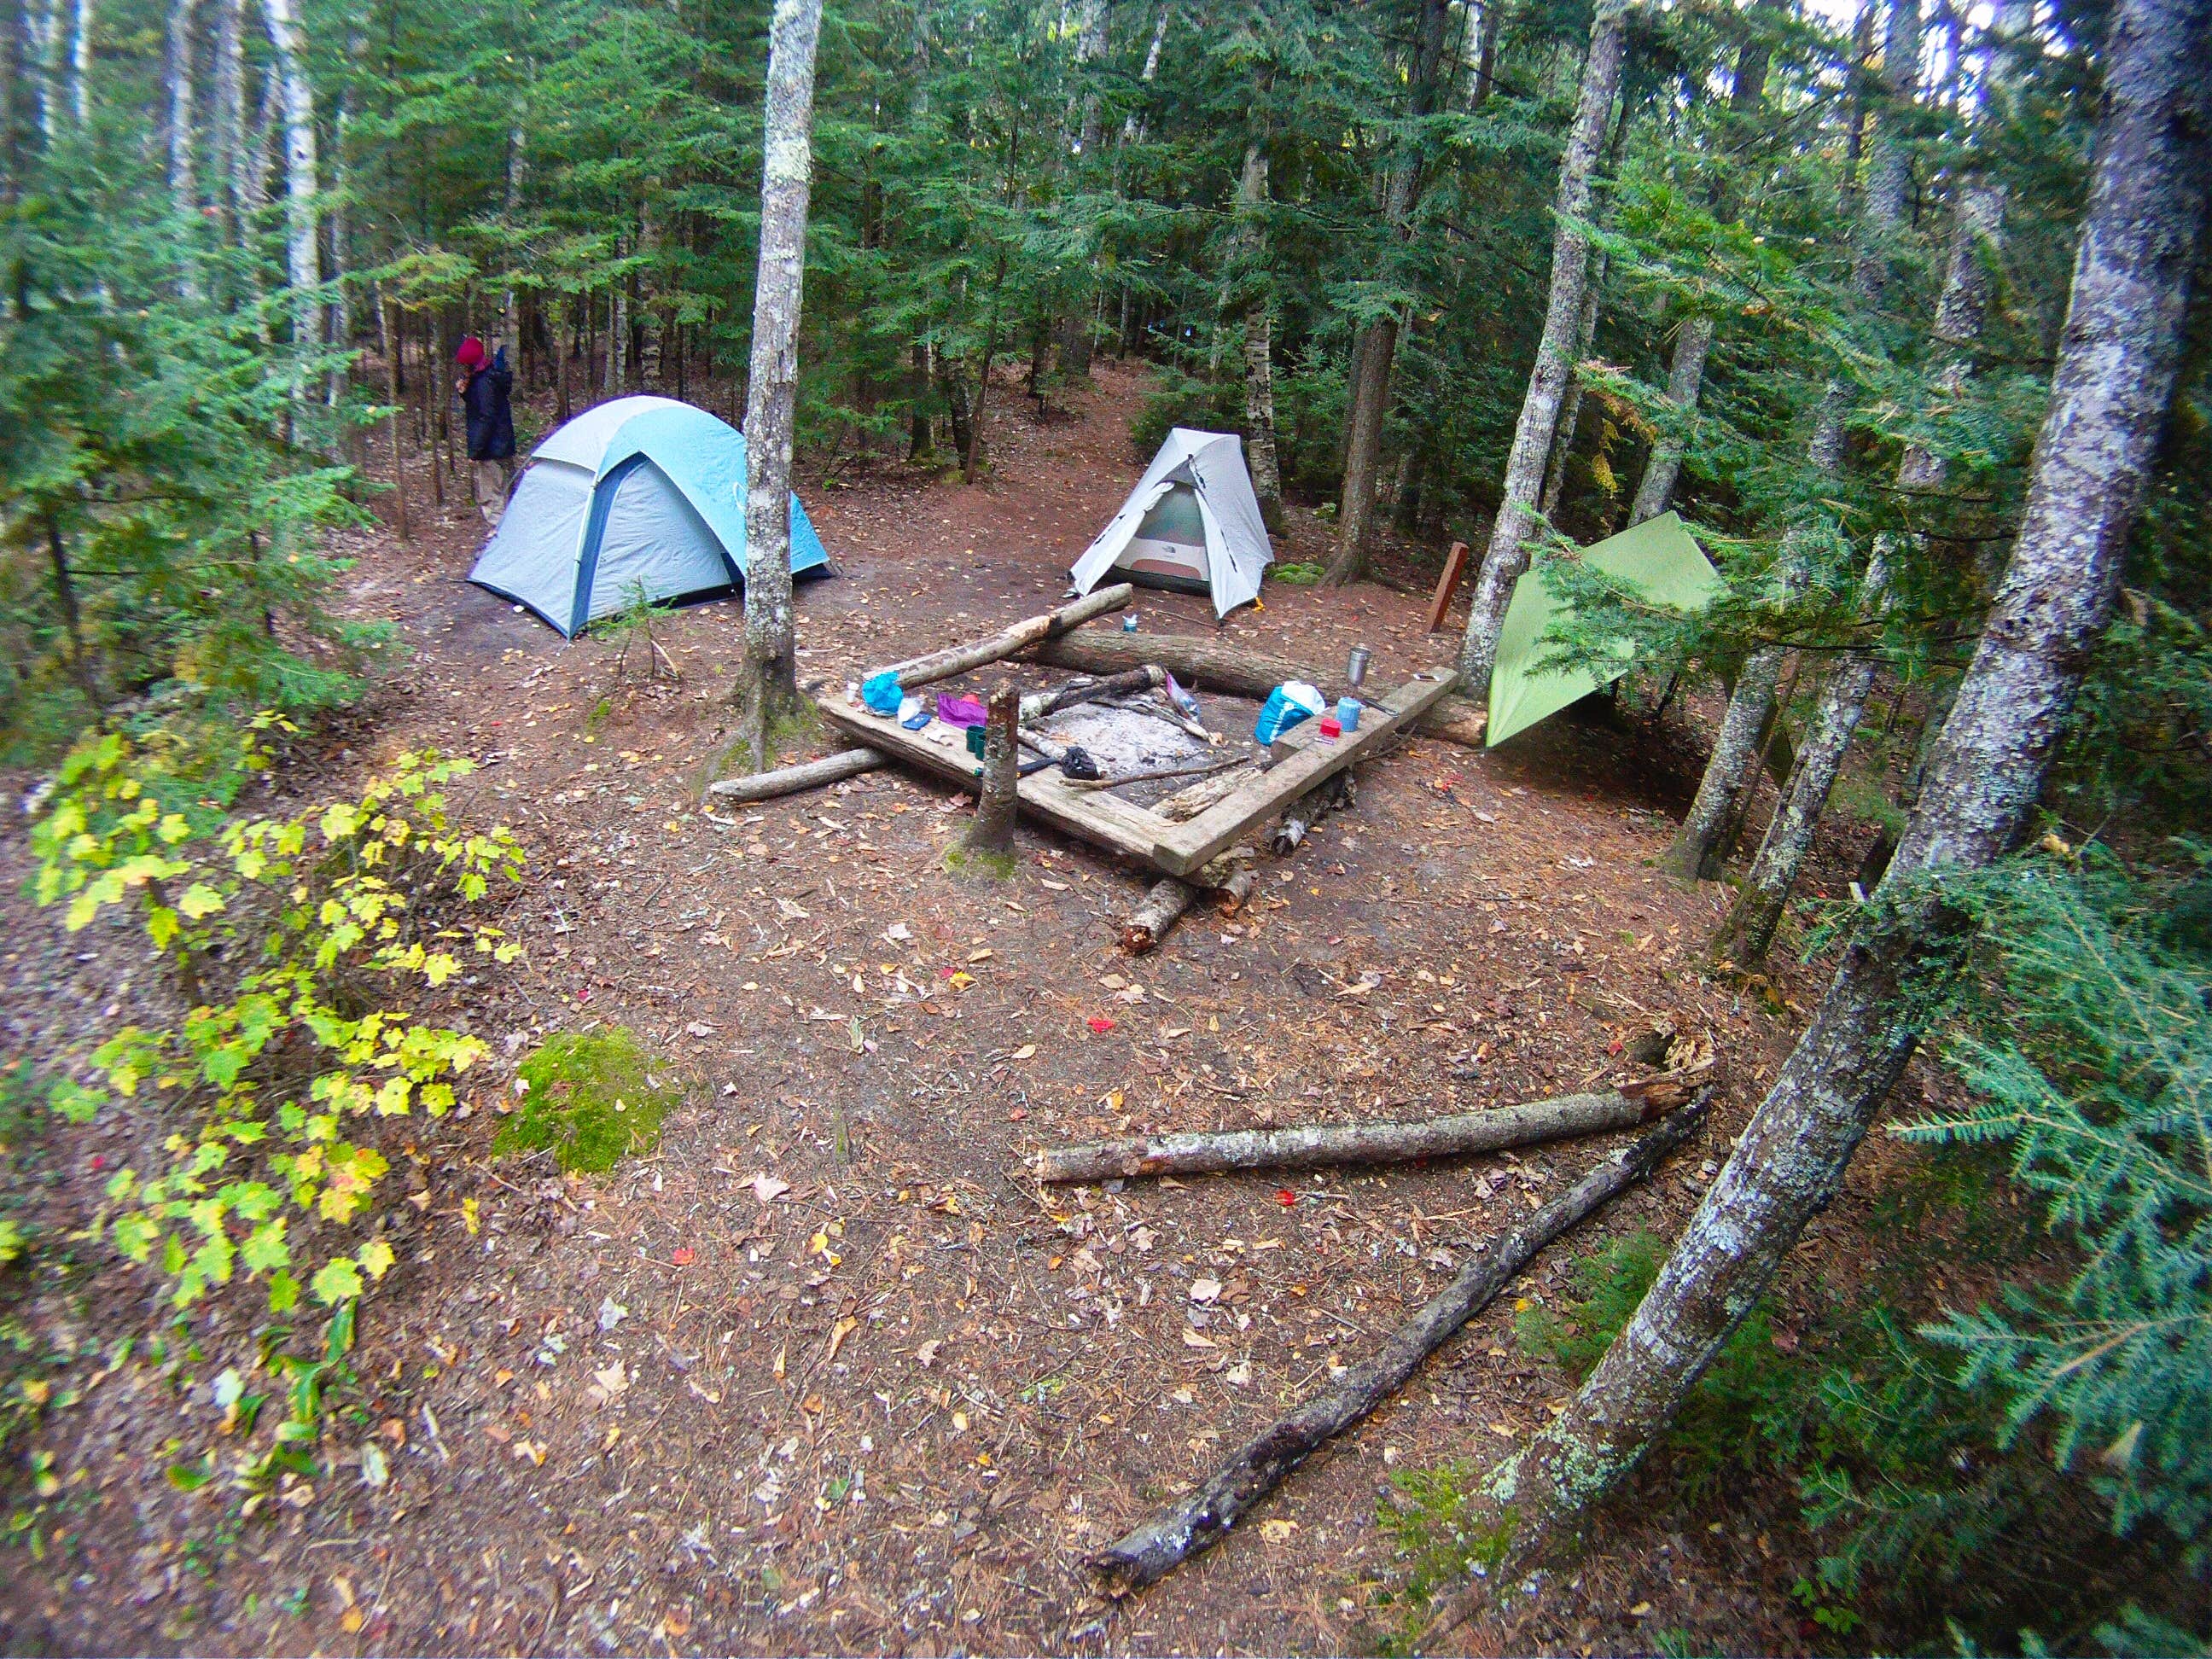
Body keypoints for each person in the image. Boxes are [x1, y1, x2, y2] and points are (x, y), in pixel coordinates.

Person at [455, 335, 515, 527]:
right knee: (501, 490)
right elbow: (483, 408)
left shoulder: (483, 383)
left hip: (491, 448)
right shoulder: (489, 376)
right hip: (501, 443)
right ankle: (505, 531)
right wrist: (464, 393)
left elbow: (485, 417)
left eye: (465, 364)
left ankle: (497, 536)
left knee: (491, 494)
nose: (463, 368)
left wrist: (475, 451)